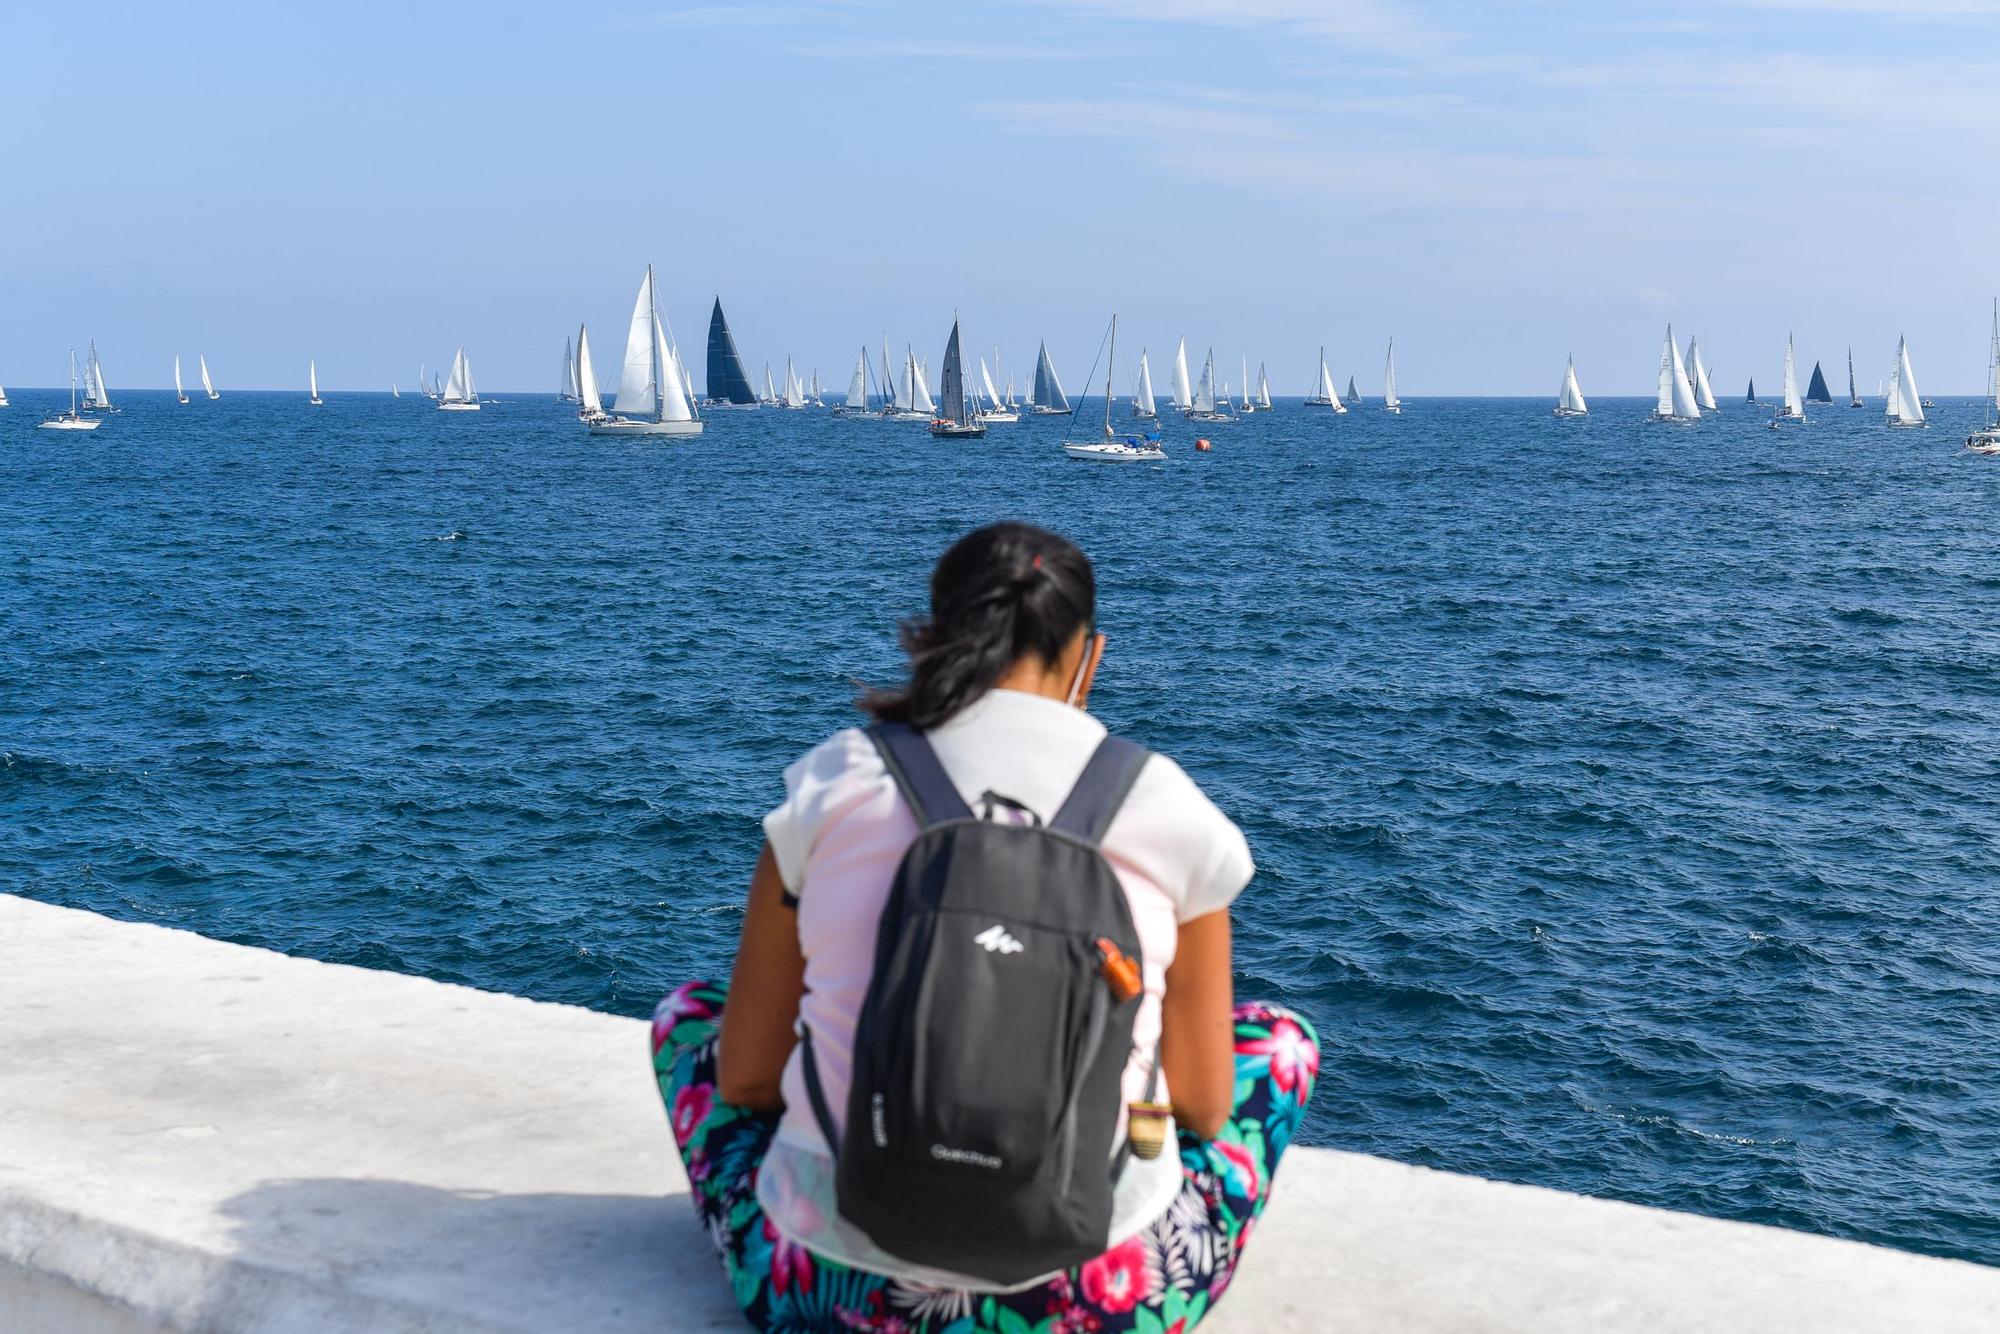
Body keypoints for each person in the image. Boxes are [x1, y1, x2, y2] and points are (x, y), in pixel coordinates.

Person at [651, 521, 1319, 1332]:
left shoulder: (832, 784)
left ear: (933, 640)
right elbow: (1207, 1109)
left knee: (688, 1019)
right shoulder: (1164, 803)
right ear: (1089, 657)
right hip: (1090, 1304)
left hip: (825, 1294)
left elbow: (748, 1080)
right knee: (1278, 1041)